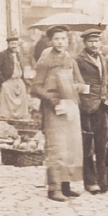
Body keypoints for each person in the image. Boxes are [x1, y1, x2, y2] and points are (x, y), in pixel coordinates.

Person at [30, 25, 86, 202]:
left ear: (68, 40)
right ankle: (54, 188)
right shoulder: (45, 59)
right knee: (57, 148)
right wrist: (52, 99)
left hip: (70, 108)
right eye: (56, 39)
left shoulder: (71, 59)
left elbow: (81, 83)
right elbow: (35, 87)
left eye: (63, 39)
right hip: (54, 109)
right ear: (50, 41)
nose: (60, 42)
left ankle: (66, 186)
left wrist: (77, 88)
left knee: (71, 147)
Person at [75, 28, 108, 194]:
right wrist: (85, 98)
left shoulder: (103, 59)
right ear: (84, 43)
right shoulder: (78, 60)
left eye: (97, 41)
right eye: (90, 41)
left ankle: (105, 181)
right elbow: (76, 82)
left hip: (103, 106)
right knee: (87, 146)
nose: (94, 44)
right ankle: (90, 181)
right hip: (87, 108)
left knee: (104, 145)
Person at [0, 35, 30, 120]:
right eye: (12, 44)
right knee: (8, 103)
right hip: (8, 81)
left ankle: (20, 117)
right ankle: (8, 119)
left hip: (18, 81)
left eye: (15, 44)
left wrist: (23, 80)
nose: (14, 46)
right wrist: (3, 81)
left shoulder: (18, 55)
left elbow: (20, 67)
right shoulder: (2, 55)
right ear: (8, 44)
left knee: (22, 98)